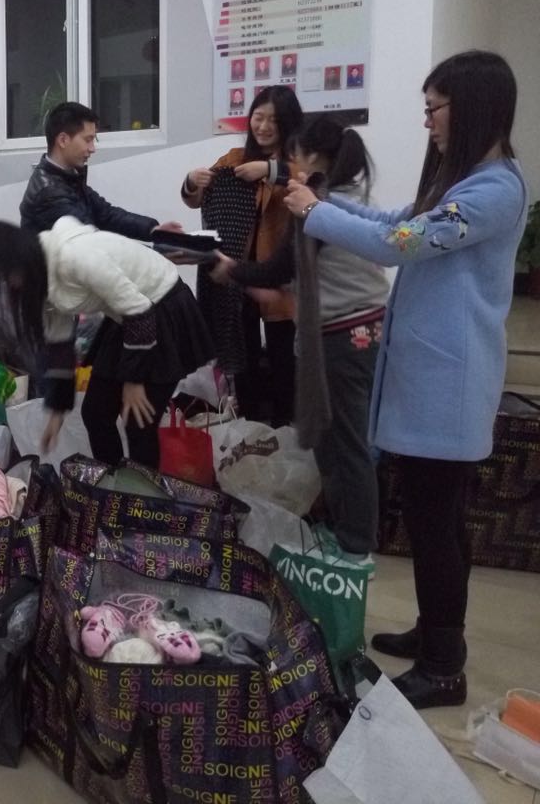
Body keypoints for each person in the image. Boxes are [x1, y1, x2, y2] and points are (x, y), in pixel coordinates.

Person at [282, 51, 526, 709]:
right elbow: (396, 222)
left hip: (449, 383)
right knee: (432, 518)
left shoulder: (495, 189)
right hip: (430, 378)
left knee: (436, 523)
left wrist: (315, 212)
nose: (428, 122)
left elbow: (402, 245)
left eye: (434, 108)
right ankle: (436, 632)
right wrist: (323, 203)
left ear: (471, 108)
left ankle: (444, 667)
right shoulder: (464, 180)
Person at [211, 119, 389, 560]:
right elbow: (295, 273)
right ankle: (343, 532)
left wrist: (230, 268)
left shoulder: (321, 205)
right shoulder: (348, 196)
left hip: (345, 335)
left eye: (293, 157)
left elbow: (280, 268)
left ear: (312, 157)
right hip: (354, 330)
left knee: (346, 444)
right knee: (332, 440)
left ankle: (356, 547)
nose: (289, 166)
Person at [0, 218, 212, 468]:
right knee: (96, 413)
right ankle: (113, 481)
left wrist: (134, 380)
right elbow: (59, 344)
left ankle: (142, 491)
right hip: (126, 319)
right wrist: (57, 412)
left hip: (159, 309)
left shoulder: (74, 257)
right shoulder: (40, 277)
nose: (7, 284)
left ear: (18, 259)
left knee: (138, 421)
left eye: (5, 274)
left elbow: (140, 310)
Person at [183, 85, 304, 426]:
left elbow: (312, 184)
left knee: (285, 360)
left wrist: (269, 170)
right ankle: (251, 429)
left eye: (273, 120)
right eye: (258, 117)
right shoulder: (234, 159)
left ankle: (287, 432)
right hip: (236, 278)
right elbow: (196, 199)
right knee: (242, 358)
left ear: (288, 123)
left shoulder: (298, 163)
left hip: (279, 280)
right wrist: (192, 181)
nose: (263, 126)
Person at [20, 101, 178, 238]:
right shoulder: (48, 193)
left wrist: (153, 230)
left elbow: (107, 215)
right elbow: (93, 241)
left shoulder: (69, 177)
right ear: (63, 140)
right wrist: (156, 254)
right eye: (87, 140)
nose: (92, 149)